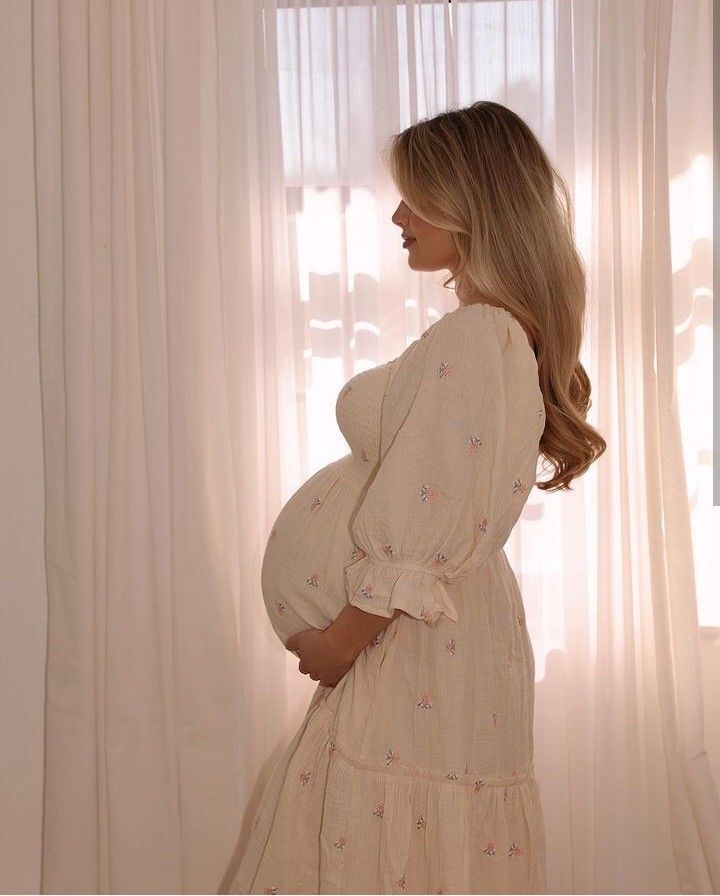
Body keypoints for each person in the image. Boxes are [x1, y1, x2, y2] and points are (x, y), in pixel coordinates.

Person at [220, 100, 606, 895]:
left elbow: (420, 530)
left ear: (470, 202)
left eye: (415, 197)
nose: (398, 215)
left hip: (413, 646)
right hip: (429, 642)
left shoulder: (478, 337)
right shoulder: (490, 334)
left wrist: (341, 643)